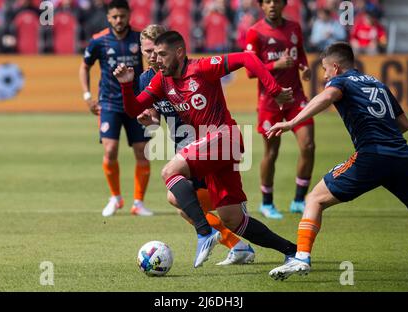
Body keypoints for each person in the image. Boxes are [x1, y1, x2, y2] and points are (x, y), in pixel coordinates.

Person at [114, 30, 298, 268]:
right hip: (212, 148)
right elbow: (132, 110)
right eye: (153, 54)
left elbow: (247, 58)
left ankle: (204, 233)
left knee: (169, 171)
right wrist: (127, 86)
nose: (156, 59)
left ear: (179, 52)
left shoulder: (202, 68)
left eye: (161, 54)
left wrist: (274, 90)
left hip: (224, 136)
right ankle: (292, 252)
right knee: (233, 219)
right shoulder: (161, 79)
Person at [267, 42, 408, 280]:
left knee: (315, 199)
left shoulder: (340, 82)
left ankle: (301, 259)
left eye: (325, 69)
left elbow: (327, 96)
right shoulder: (378, 84)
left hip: (371, 157)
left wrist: (291, 123)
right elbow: (404, 124)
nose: (325, 74)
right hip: (401, 156)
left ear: (336, 67)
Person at [137, 24, 255, 265]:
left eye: (156, 50)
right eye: (147, 50)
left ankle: (230, 224)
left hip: (206, 143)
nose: (152, 56)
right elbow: (153, 114)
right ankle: (237, 241)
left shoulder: (182, 72)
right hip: (182, 147)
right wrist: (149, 119)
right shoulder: (147, 79)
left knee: (177, 199)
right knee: (185, 205)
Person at [79, 0, 153, 217]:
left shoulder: (140, 39)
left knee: (141, 151)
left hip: (137, 102)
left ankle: (138, 202)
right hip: (109, 102)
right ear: (108, 18)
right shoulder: (98, 41)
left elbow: (151, 64)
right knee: (110, 150)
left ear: (129, 15)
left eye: (122, 16)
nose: (118, 20)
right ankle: (115, 197)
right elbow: (84, 67)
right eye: (114, 17)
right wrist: (87, 95)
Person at [245, 0, 315, 219]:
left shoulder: (294, 27)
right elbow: (249, 71)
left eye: (276, 1)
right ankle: (267, 203)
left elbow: (300, 53)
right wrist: (275, 65)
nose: (272, 5)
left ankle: (298, 200)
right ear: (261, 6)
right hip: (270, 101)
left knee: (309, 146)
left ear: (284, 3)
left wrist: (304, 67)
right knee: (271, 153)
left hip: (296, 98)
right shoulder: (255, 32)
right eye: (267, 2)